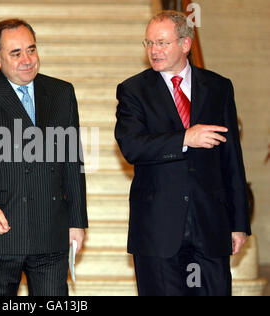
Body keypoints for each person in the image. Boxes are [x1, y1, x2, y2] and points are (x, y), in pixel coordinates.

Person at [115, 11, 251, 296]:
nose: (154, 51)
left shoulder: (219, 87)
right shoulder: (133, 90)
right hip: (157, 232)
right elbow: (132, 146)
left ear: (185, 44)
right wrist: (185, 138)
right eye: (149, 43)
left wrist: (238, 224)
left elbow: (232, 160)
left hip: (210, 228)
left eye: (162, 43)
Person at [0, 19, 88, 296]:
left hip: (49, 232)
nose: (27, 60)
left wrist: (77, 221)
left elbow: (72, 161)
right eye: (15, 53)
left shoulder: (61, 93)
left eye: (31, 50)